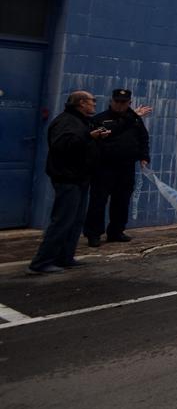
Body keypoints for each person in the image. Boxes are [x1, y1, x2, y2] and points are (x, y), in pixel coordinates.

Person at [29, 91, 110, 274]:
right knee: (63, 220)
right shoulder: (66, 121)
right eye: (92, 101)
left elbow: (81, 143)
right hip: (68, 177)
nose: (94, 104)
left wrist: (96, 138)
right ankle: (41, 262)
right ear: (81, 103)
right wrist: (91, 137)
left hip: (80, 177)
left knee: (75, 220)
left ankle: (65, 257)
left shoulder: (81, 121)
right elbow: (63, 145)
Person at [85, 88, 151, 247]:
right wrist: (133, 116)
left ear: (129, 103)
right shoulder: (101, 119)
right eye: (117, 102)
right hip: (104, 167)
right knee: (98, 201)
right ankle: (93, 234)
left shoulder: (135, 120)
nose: (120, 105)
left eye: (124, 102)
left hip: (126, 166)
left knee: (122, 201)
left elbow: (143, 138)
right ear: (111, 101)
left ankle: (116, 231)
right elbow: (101, 137)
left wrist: (144, 156)